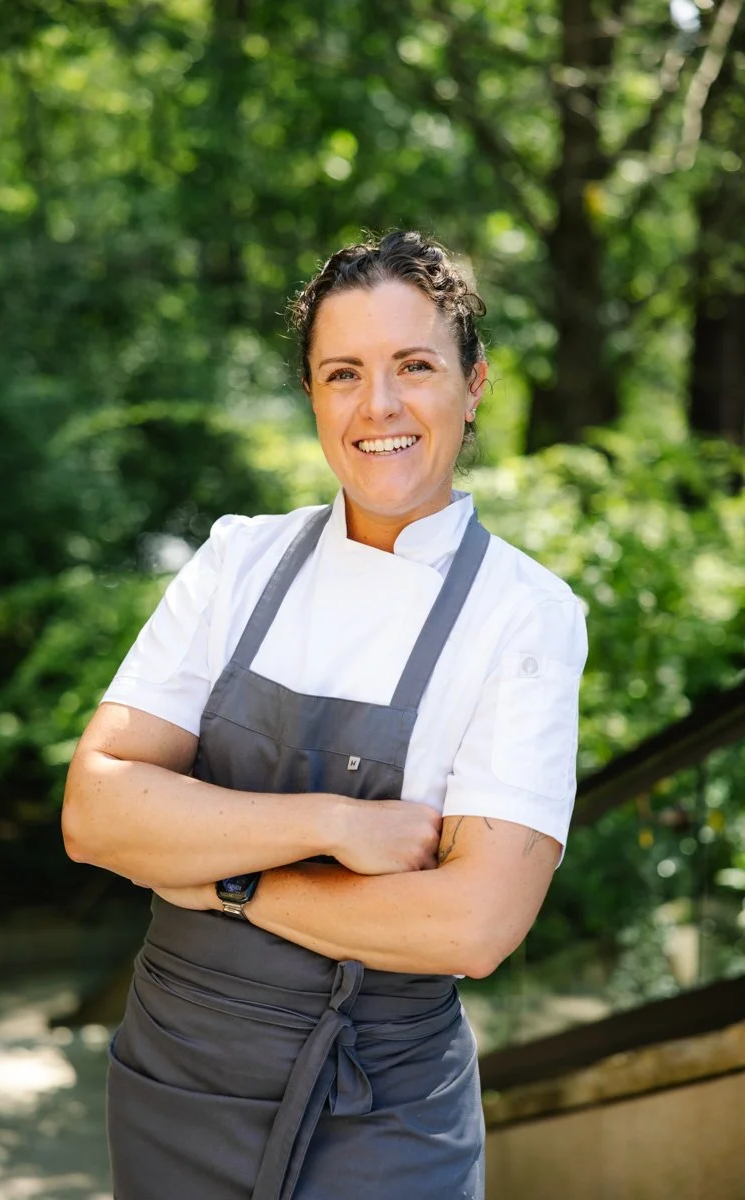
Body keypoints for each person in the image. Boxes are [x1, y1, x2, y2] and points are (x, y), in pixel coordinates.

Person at [62, 230, 588, 1200]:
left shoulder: (523, 616)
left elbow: (470, 925)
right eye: (342, 372)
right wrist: (332, 827)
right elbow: (96, 813)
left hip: (377, 1115)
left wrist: (227, 884)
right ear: (311, 394)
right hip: (178, 1082)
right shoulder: (237, 563)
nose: (377, 405)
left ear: (473, 383)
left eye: (414, 366)